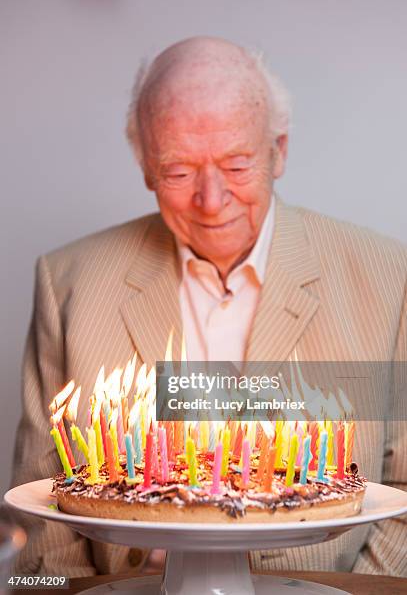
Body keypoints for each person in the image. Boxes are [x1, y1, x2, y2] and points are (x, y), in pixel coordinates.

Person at [11, 36, 407, 577]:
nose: (212, 199)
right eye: (177, 171)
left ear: (279, 151)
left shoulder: (386, 277)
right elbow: (40, 522)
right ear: (146, 168)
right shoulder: (69, 284)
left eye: (238, 165)